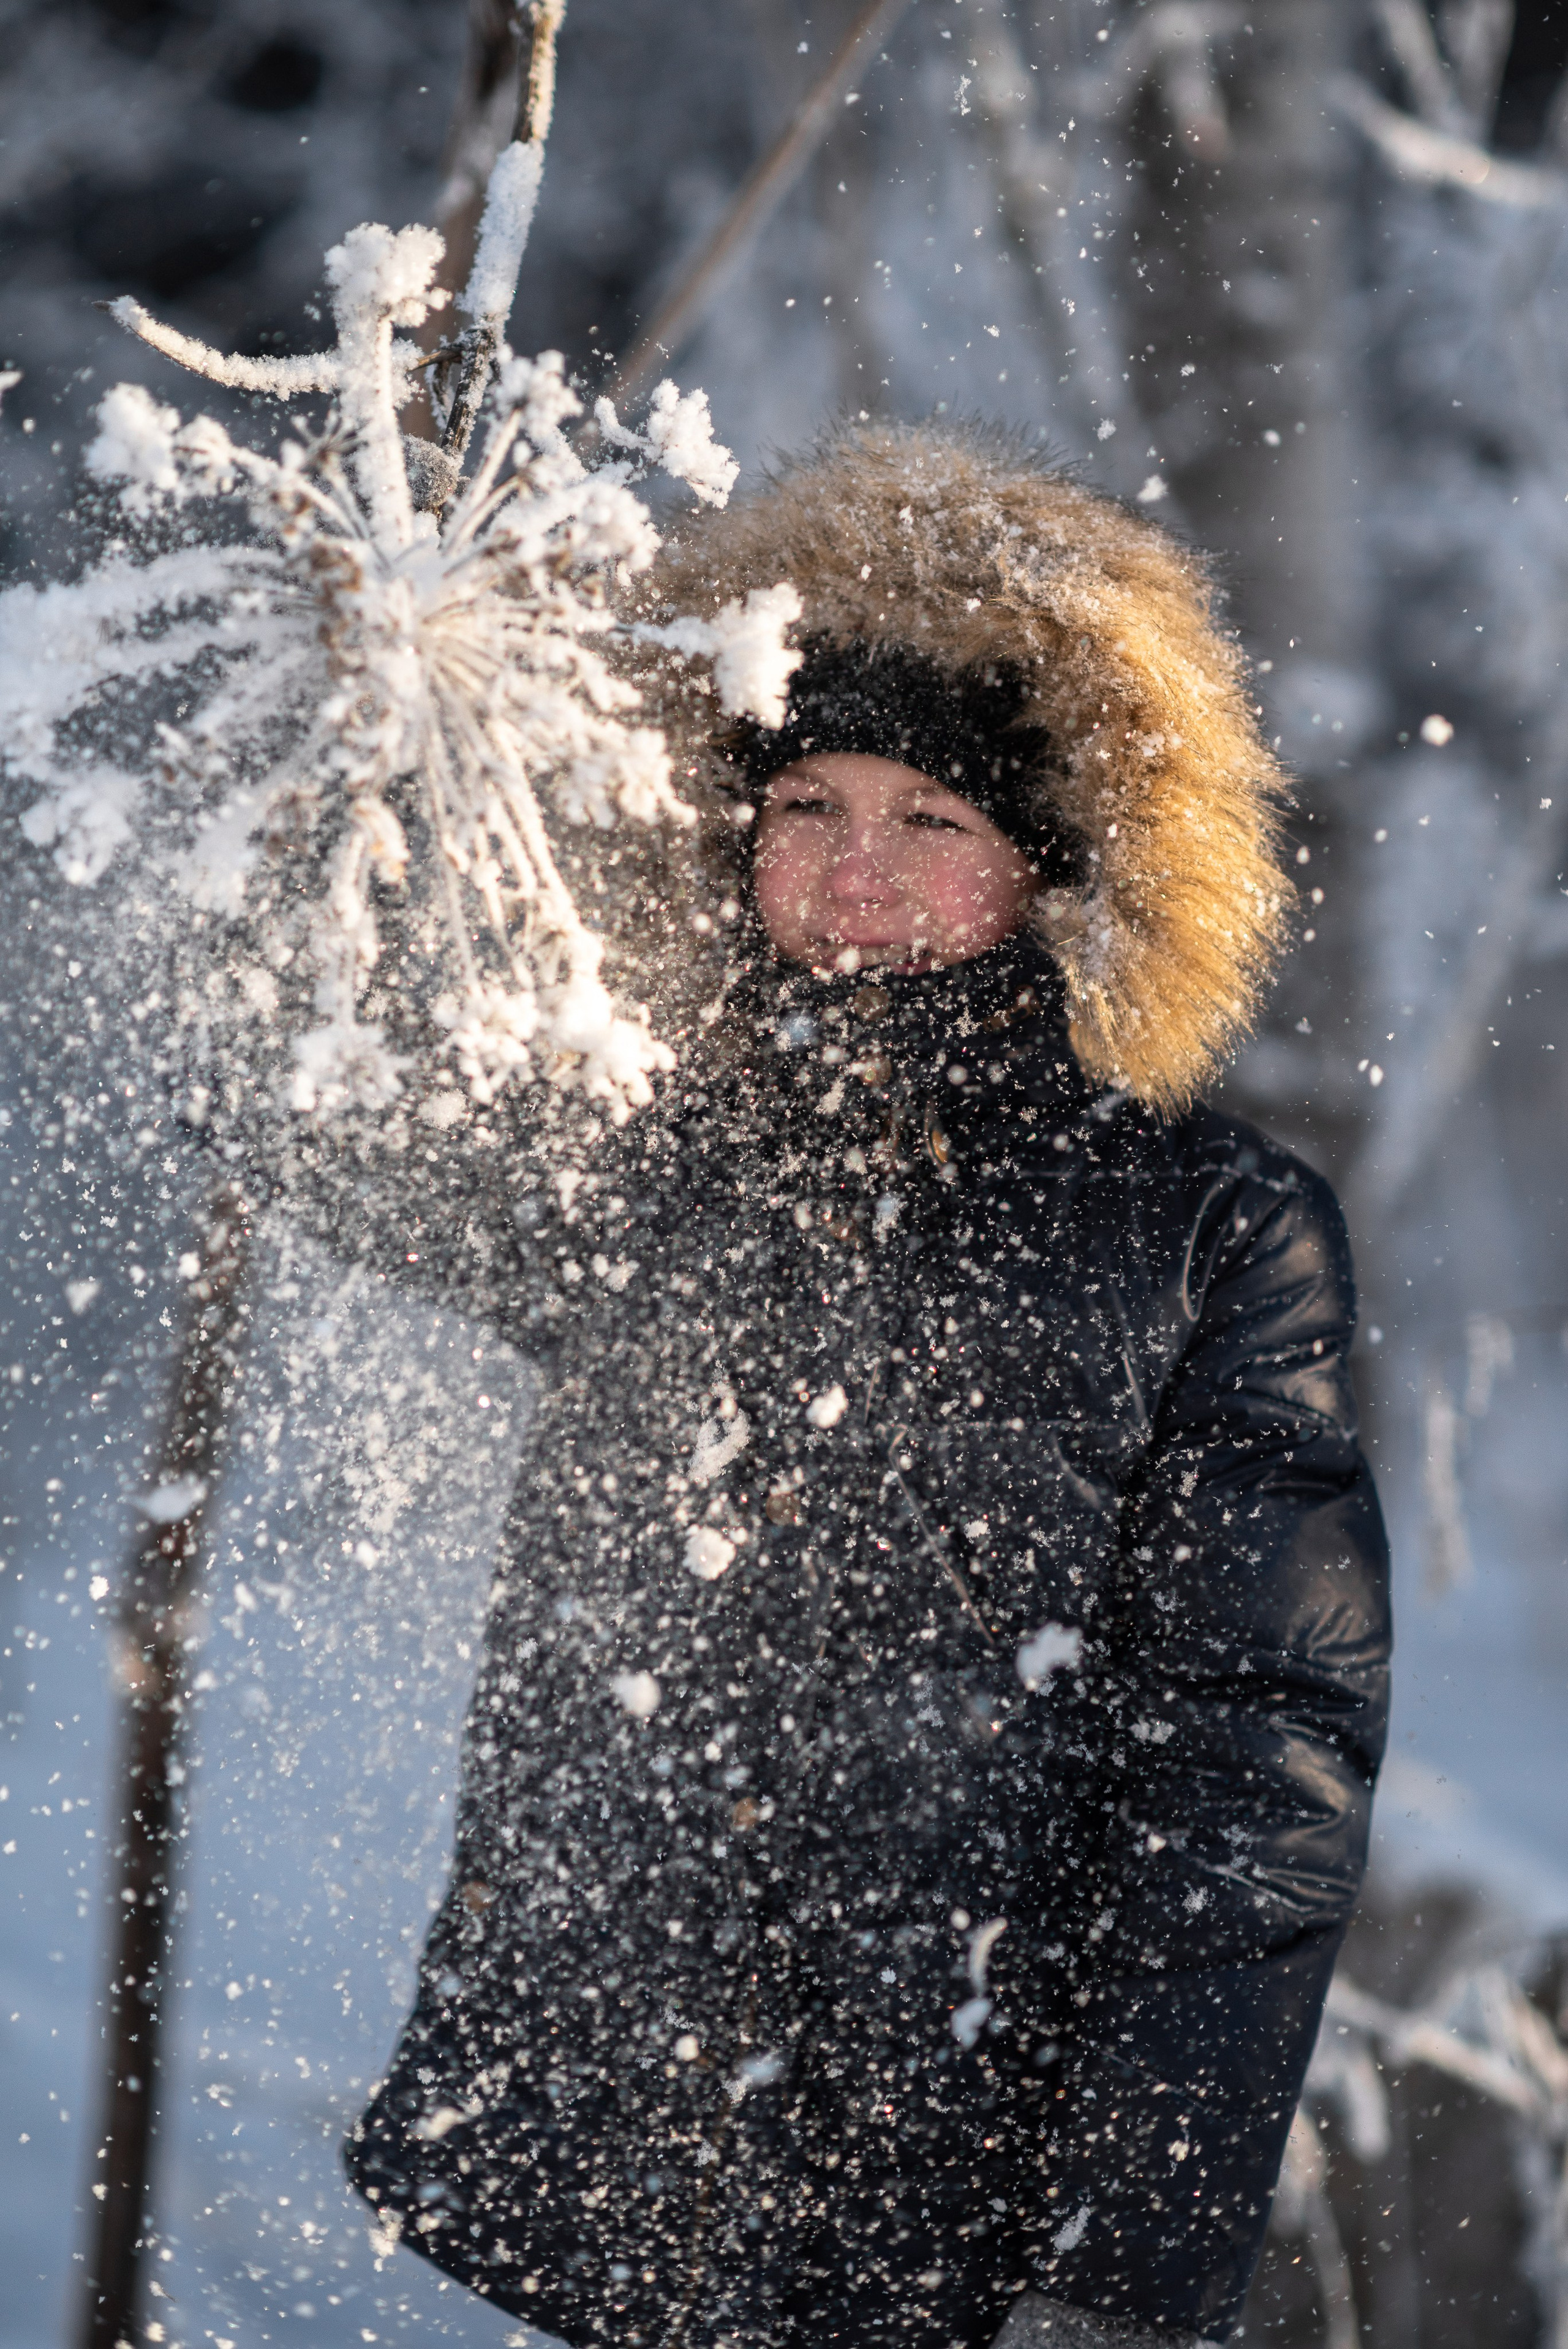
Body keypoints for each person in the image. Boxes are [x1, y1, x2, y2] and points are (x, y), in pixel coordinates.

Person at [344, 421, 1390, 2349]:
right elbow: (333, 1122)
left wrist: (1124, 2273)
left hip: (962, 2177)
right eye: (807, 800)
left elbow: (1253, 1770)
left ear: (1051, 865)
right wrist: (369, 760)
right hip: (618, 2147)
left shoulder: (1204, 1229)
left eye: (933, 822)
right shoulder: (639, 1137)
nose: (853, 874)